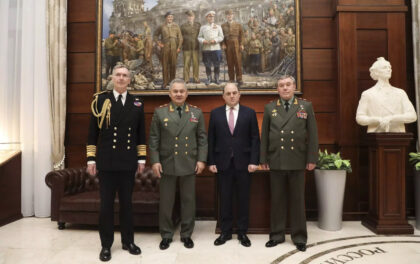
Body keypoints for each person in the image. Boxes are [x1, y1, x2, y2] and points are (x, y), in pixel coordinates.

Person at [86, 65, 146, 261]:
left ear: (130, 80)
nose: (121, 78)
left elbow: (140, 133)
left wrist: (141, 158)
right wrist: (91, 159)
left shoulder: (137, 102)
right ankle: (106, 245)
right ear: (112, 77)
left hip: (127, 161)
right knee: (106, 206)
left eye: (125, 76)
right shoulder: (101, 100)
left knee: (127, 204)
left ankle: (128, 241)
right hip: (106, 161)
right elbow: (92, 133)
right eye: (118, 75)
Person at [260, 75, 318, 252]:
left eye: (288, 85)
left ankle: (299, 237)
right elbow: (265, 136)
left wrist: (311, 159)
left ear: (294, 87)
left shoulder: (305, 106)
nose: (285, 88)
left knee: (297, 200)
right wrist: (263, 159)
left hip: (297, 160)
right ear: (277, 89)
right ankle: (276, 235)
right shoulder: (270, 107)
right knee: (277, 200)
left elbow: (313, 135)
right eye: (281, 86)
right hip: (276, 159)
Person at [149, 79, 208, 250]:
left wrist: (201, 160)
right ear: (170, 94)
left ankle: (186, 234)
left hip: (189, 162)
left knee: (188, 201)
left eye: (182, 91)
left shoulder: (196, 113)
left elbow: (202, 139)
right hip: (167, 163)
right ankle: (166, 235)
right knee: (166, 202)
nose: (179, 94)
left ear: (187, 93)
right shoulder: (160, 112)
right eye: (175, 91)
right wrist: (155, 161)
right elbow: (154, 139)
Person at [208, 83, 260, 247]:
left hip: (244, 164)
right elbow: (211, 140)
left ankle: (243, 233)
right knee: (225, 199)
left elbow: (255, 139)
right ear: (223, 96)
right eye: (228, 93)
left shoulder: (249, 113)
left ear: (239, 94)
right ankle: (225, 232)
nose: (231, 96)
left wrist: (254, 161)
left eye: (234, 93)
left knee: (243, 199)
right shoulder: (215, 114)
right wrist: (211, 161)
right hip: (223, 164)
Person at [356, 57, 417, 132]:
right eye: (384, 67)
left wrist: (391, 118)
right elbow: (360, 118)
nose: (389, 69)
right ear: (376, 72)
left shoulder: (400, 93)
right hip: (376, 136)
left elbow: (412, 116)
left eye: (390, 67)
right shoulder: (368, 94)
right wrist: (378, 120)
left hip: (399, 137)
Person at [154, 12, 183, 88]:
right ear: (166, 18)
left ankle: (172, 81)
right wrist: (159, 43)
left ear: (172, 18)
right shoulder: (161, 26)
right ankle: (165, 81)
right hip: (165, 47)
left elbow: (180, 37)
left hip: (174, 47)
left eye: (171, 17)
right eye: (168, 17)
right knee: (165, 64)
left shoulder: (176, 26)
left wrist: (179, 47)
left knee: (173, 64)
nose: (170, 18)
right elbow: (155, 35)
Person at [198, 10, 224, 85]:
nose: (211, 18)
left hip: (216, 48)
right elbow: (199, 37)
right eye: (210, 16)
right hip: (206, 49)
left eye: (212, 16)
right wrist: (203, 41)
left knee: (217, 64)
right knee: (207, 64)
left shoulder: (218, 27)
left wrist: (215, 40)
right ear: (206, 18)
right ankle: (209, 78)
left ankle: (217, 78)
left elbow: (221, 37)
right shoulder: (203, 27)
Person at [221, 10, 244, 85]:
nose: (229, 16)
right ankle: (231, 79)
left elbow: (241, 35)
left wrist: (241, 44)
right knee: (230, 62)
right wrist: (223, 44)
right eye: (228, 15)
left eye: (231, 15)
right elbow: (221, 37)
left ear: (233, 15)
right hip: (228, 44)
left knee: (238, 62)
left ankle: (239, 78)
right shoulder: (223, 25)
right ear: (226, 16)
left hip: (236, 43)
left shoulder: (238, 25)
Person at [181, 10, 201, 84]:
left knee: (196, 64)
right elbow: (181, 37)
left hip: (195, 47)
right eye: (189, 16)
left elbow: (201, 35)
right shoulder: (183, 26)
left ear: (194, 17)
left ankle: (196, 78)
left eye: (191, 16)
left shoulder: (198, 25)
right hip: (186, 48)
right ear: (187, 17)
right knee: (186, 64)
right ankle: (186, 79)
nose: (190, 18)